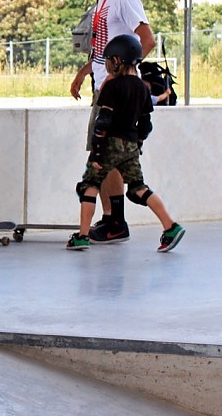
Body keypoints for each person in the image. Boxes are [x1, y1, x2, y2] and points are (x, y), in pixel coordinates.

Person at [67, 34, 185, 252]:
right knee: (139, 188)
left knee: (89, 186)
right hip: (131, 145)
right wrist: (137, 143)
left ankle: (82, 236)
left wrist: (97, 151)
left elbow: (103, 122)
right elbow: (146, 124)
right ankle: (170, 226)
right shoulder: (143, 88)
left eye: (110, 60)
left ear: (118, 61)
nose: (109, 64)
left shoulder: (111, 87)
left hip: (110, 144)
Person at [69, 0, 155, 244]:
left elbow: (146, 39)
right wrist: (85, 72)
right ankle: (110, 219)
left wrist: (124, 77)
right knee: (105, 155)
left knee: (105, 155)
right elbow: (105, 47)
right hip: (103, 86)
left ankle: (115, 221)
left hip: (116, 92)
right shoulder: (102, 2)